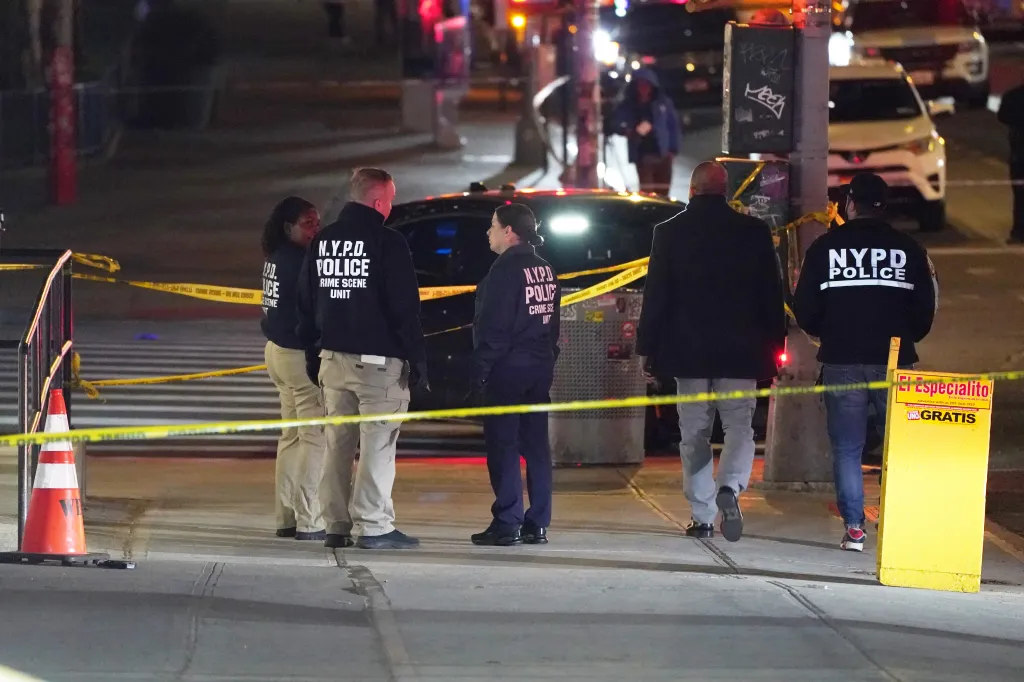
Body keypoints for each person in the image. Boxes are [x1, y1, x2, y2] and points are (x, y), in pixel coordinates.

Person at [636, 161, 785, 542]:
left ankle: (702, 516)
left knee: (694, 433)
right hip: (741, 351)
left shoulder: (668, 233)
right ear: (725, 190)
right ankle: (730, 488)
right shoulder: (753, 232)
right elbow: (770, 294)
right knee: (739, 427)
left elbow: (657, 296)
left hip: (689, 353)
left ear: (691, 189)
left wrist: (647, 349)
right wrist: (776, 347)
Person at [793, 172, 936, 553]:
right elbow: (925, 311)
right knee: (898, 447)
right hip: (893, 362)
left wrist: (830, 331)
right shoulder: (909, 249)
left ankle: (855, 529)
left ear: (849, 204)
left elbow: (804, 310)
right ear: (883, 206)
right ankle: (900, 525)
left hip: (842, 359)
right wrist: (905, 338)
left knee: (847, 449)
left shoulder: (824, 250)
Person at [297, 168, 429, 550]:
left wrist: (313, 353)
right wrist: (417, 358)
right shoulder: (388, 243)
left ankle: (336, 523)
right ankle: (373, 526)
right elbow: (405, 308)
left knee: (338, 443)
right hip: (378, 364)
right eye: (389, 199)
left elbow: (305, 304)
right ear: (378, 202)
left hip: (332, 360)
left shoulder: (323, 241)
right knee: (377, 444)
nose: (390, 206)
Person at [468, 203, 561, 546]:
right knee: (536, 446)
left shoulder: (503, 273)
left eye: (492, 226)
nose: (488, 232)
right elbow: (552, 326)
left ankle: (507, 521)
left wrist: (479, 372)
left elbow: (494, 331)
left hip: (507, 369)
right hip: (538, 368)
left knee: (504, 446)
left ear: (509, 231)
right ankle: (537, 523)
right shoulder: (545, 269)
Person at [261, 196, 326, 541]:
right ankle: (310, 518)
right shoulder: (301, 262)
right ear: (290, 227)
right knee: (314, 439)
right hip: (299, 357)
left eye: (317, 222)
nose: (316, 229)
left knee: (291, 437)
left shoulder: (276, 258)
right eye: (309, 223)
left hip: (277, 352)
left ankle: (286, 515)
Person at [610, 68, 680, 196]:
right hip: (643, 154)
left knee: (663, 191)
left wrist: (673, 149)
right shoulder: (629, 105)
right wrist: (627, 130)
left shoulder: (662, 103)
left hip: (662, 153)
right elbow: (616, 122)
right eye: (640, 84)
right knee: (647, 192)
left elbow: (672, 125)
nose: (643, 88)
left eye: (646, 84)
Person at [997, 81, 1024, 243]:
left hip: (1019, 152)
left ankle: (1019, 231)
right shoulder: (1014, 96)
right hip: (1019, 152)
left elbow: (1002, 116)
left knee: (1020, 195)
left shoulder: (1013, 96)